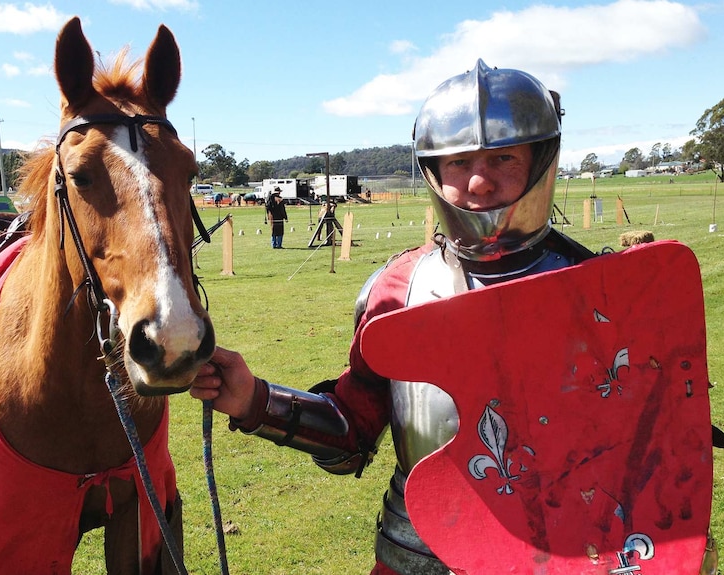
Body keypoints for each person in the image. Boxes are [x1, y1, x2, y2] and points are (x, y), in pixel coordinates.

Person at [191, 60, 716, 574]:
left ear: (541, 161)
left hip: (572, 549)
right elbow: (353, 435)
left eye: (504, 159)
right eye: (459, 162)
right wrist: (255, 400)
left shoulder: (604, 291)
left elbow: (649, 456)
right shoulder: (397, 289)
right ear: (433, 171)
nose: (479, 183)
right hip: (418, 550)